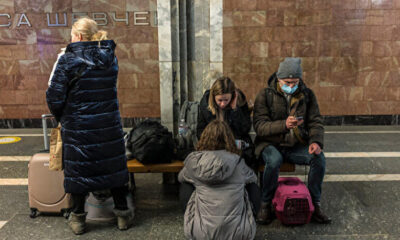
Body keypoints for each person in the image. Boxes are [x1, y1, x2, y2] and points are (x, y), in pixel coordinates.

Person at [46, 17, 133, 235]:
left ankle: (78, 220)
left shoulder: (67, 60)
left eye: (72, 35)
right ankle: (122, 215)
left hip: (78, 126)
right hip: (107, 123)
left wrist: (63, 116)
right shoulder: (110, 57)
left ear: (79, 36)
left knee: (78, 172)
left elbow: (54, 96)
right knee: (113, 167)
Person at [253, 57, 332, 225]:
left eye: (294, 82)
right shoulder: (265, 95)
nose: (291, 86)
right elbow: (260, 126)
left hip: (295, 144)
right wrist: (284, 125)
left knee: (319, 158)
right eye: (287, 82)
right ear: (279, 79)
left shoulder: (307, 94)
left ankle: (314, 204)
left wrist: (315, 141)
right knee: (274, 161)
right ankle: (265, 204)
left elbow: (315, 121)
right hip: (270, 144)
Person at [179, 120, 260, 240]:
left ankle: (194, 221)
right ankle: (247, 221)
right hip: (239, 233)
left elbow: (181, 177)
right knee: (252, 186)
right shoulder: (238, 162)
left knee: (186, 185)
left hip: (201, 233)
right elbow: (253, 178)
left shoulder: (196, 163)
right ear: (229, 139)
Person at [197, 76, 255, 168]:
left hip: (234, 143)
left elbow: (244, 130)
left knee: (246, 158)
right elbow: (200, 131)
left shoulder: (240, 101)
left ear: (232, 96)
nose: (223, 104)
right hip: (214, 145)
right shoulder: (205, 105)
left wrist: (235, 109)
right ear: (213, 97)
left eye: (226, 100)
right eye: (219, 100)